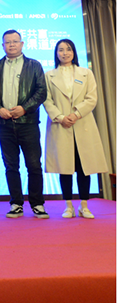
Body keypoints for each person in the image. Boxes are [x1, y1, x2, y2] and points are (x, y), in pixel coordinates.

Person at [43, 39, 108, 218]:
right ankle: (68, 206)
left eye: (68, 49)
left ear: (74, 52)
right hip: (61, 125)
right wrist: (61, 117)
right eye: (61, 50)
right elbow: (47, 100)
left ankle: (84, 206)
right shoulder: (49, 75)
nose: (65, 53)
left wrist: (76, 114)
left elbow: (91, 98)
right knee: (64, 167)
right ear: (56, 53)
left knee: (83, 166)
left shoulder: (86, 73)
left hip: (82, 123)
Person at [0, 29, 48, 218]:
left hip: (28, 123)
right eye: (8, 42)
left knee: (34, 165)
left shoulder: (34, 65)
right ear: (3, 45)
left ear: (22, 44)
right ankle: (16, 204)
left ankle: (37, 204)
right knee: (11, 166)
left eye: (15, 41)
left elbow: (41, 91)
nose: (11, 45)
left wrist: (25, 108)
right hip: (5, 125)